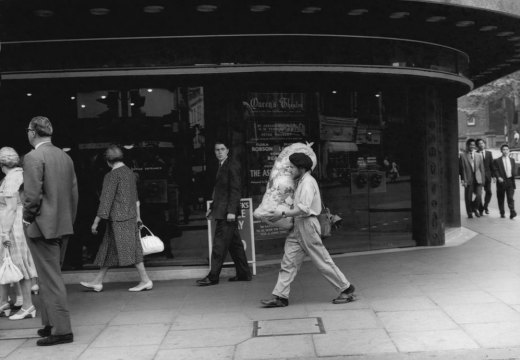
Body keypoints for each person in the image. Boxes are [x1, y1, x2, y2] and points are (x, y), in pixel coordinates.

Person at [260, 153, 355, 307]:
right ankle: (280, 296)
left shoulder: (308, 183)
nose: (290, 170)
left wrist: (282, 213)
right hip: (299, 225)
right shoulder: (302, 181)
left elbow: (304, 208)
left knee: (322, 260)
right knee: (288, 262)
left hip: (306, 225)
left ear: (301, 168)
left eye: (292, 167)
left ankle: (347, 288)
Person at [23, 116, 78, 346]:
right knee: (50, 277)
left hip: (42, 226)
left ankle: (62, 329)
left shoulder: (33, 156)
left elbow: (32, 196)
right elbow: (74, 193)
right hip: (62, 223)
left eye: (28, 129)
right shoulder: (65, 157)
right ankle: (50, 323)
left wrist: (26, 218)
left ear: (33, 132)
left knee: (50, 279)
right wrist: (68, 220)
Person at [80, 145, 152, 292]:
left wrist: (95, 222)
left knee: (132, 251)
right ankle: (98, 281)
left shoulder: (111, 176)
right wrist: (138, 217)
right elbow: (135, 198)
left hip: (119, 219)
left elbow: (106, 201)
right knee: (109, 251)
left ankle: (145, 280)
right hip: (130, 217)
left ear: (107, 161)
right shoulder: (130, 173)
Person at [196, 141, 251, 286]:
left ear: (228, 151)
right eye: (217, 150)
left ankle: (213, 277)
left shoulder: (231, 165)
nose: (219, 152)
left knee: (219, 246)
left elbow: (235, 190)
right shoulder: (221, 166)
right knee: (235, 245)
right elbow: (221, 192)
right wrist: (212, 207)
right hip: (222, 210)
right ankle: (244, 273)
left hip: (227, 213)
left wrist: (232, 211)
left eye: (222, 149)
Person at [0, 147, 38, 320]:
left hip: (13, 225)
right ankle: (17, 303)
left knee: (19, 265)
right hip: (20, 222)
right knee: (19, 264)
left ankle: (27, 306)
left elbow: (10, 208)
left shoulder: (10, 179)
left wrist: (4, 233)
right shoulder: (21, 173)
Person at [459, 138, 485, 219]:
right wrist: (463, 180)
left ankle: (475, 207)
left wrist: (483, 180)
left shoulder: (479, 155)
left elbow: (482, 169)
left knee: (479, 195)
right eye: (470, 145)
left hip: (478, 179)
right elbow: (462, 169)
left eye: (473, 145)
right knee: (468, 197)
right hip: (468, 179)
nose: (472, 146)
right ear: (467, 146)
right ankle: (469, 212)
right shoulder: (463, 155)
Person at [492, 144, 517, 219]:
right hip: (501, 181)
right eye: (504, 150)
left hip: (510, 181)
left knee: (510, 198)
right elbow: (495, 170)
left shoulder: (512, 160)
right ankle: (502, 212)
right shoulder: (497, 160)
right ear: (501, 151)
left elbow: (513, 170)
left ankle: (512, 212)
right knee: (501, 198)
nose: (505, 151)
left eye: (507, 149)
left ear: (509, 151)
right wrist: (498, 177)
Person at [476, 139, 494, 215]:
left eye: (482, 143)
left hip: (487, 176)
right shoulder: (475, 154)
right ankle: (480, 209)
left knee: (489, 192)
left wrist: (493, 176)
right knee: (479, 194)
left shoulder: (489, 153)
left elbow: (492, 165)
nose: (481, 145)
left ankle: (485, 206)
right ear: (477, 145)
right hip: (479, 177)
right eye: (479, 143)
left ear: (484, 144)